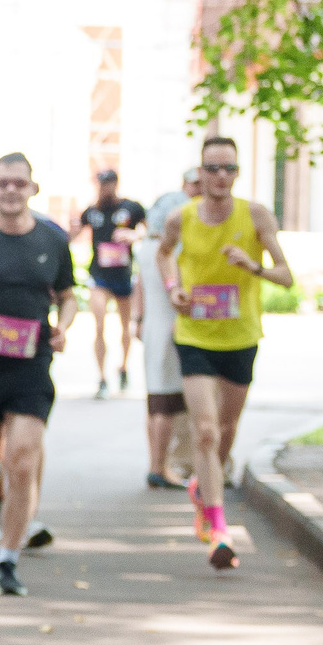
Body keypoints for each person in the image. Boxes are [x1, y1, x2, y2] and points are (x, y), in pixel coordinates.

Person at [157, 134, 294, 572]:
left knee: (227, 428)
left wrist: (252, 266)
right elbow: (164, 255)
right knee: (206, 431)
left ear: (237, 172)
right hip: (195, 335)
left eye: (229, 169)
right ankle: (218, 526)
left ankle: (203, 483)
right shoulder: (181, 218)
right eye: (212, 168)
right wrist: (173, 288)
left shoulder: (255, 215)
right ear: (199, 172)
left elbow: (286, 276)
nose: (220, 177)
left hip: (240, 336)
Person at [0, 155, 79, 596]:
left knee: (23, 458)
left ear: (33, 188)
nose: (11, 190)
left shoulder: (51, 238)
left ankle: (8, 559)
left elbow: (68, 295)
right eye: (3, 183)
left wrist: (64, 325)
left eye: (19, 183)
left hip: (31, 365)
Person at [139, 168, 202, 488]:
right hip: (173, 330)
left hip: (152, 329)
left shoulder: (143, 249)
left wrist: (137, 321)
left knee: (155, 402)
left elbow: (139, 290)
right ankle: (159, 465)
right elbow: (178, 291)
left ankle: (157, 462)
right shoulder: (171, 252)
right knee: (168, 404)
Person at [74, 168, 145, 398]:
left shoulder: (131, 208)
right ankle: (102, 377)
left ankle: (123, 367)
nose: (106, 188)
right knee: (99, 326)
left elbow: (150, 229)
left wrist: (134, 236)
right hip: (99, 274)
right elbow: (73, 234)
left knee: (125, 326)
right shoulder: (92, 212)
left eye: (109, 183)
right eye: (102, 184)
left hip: (123, 273)